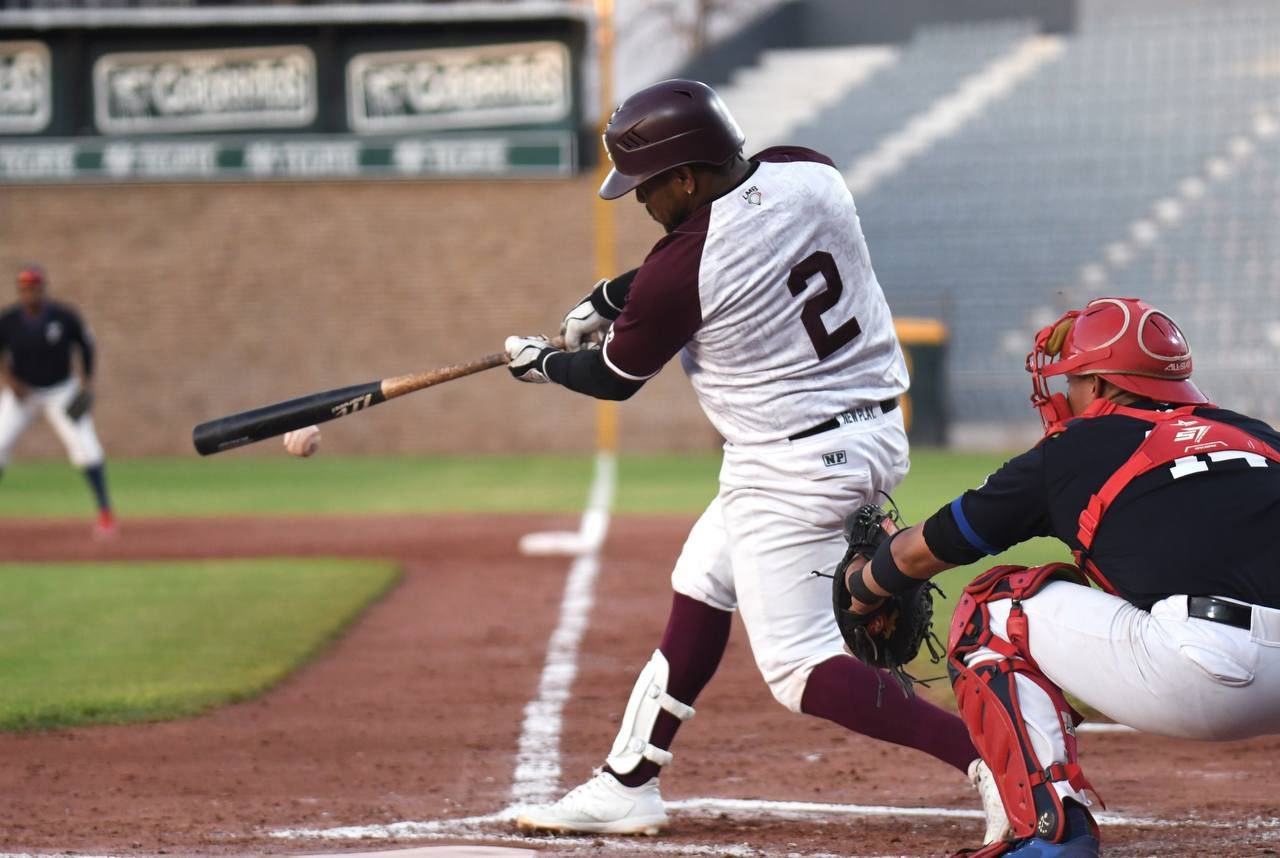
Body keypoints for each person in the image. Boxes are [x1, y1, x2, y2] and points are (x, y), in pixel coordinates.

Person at [504, 78, 1007, 841]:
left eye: (647, 189)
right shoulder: (808, 170)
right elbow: (728, 244)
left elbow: (612, 377)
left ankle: (995, 761)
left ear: (684, 176)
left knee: (799, 668)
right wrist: (611, 295)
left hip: (793, 463)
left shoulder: (683, 268)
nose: (641, 203)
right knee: (702, 580)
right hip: (857, 433)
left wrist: (540, 363)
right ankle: (628, 782)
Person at [841, 296, 1280, 857]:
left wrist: (863, 587)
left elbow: (927, 550)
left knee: (990, 610)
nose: (1065, 392)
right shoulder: (1254, 434)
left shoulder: (1072, 449)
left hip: (1210, 673)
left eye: (1073, 379)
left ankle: (1048, 837)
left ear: (1099, 385)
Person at [0, 265, 117, 537]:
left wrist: (87, 383)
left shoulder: (64, 317)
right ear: (20, 291)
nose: (30, 293)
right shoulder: (8, 321)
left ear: (43, 288)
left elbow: (86, 346)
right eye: (25, 288)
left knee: (86, 447)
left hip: (61, 392)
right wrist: (10, 382)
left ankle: (105, 514)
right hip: (23, 394)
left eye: (34, 287)